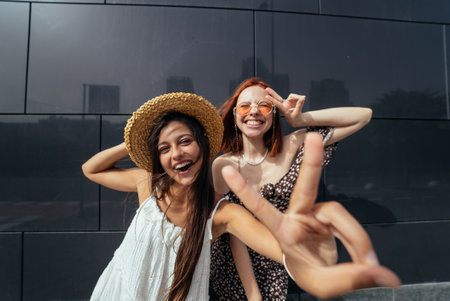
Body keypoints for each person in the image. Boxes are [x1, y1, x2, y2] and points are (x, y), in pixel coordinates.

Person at [82, 92, 398, 301]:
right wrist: (141, 138)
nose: (176, 154)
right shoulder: (148, 183)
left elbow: (284, 252)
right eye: (164, 148)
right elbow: (92, 169)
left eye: (185, 141)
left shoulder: (220, 213)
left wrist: (312, 249)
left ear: (203, 147)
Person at [210, 78, 374, 300]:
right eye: (245, 106)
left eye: (264, 106)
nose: (254, 112)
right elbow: (231, 229)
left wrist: (300, 119)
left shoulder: (294, 144)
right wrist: (253, 295)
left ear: (274, 113)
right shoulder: (223, 165)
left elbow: (363, 116)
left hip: (279, 258)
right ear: (234, 114)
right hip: (236, 268)